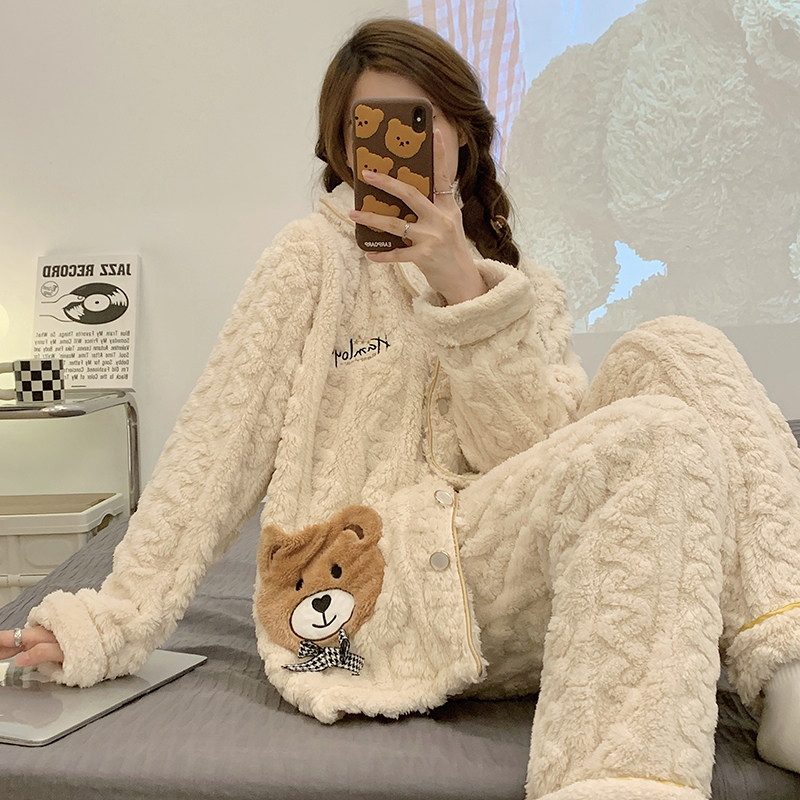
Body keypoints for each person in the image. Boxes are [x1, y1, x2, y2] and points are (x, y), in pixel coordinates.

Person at [2, 17, 800, 800]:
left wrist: (465, 293)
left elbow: (538, 459)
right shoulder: (311, 261)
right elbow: (214, 449)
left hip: (507, 584)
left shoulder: (519, 285)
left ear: (459, 134)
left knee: (678, 346)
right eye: (370, 129)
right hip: (370, 597)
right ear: (344, 148)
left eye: (416, 122)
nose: (392, 146)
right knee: (658, 435)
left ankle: (790, 674)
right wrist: (111, 621)